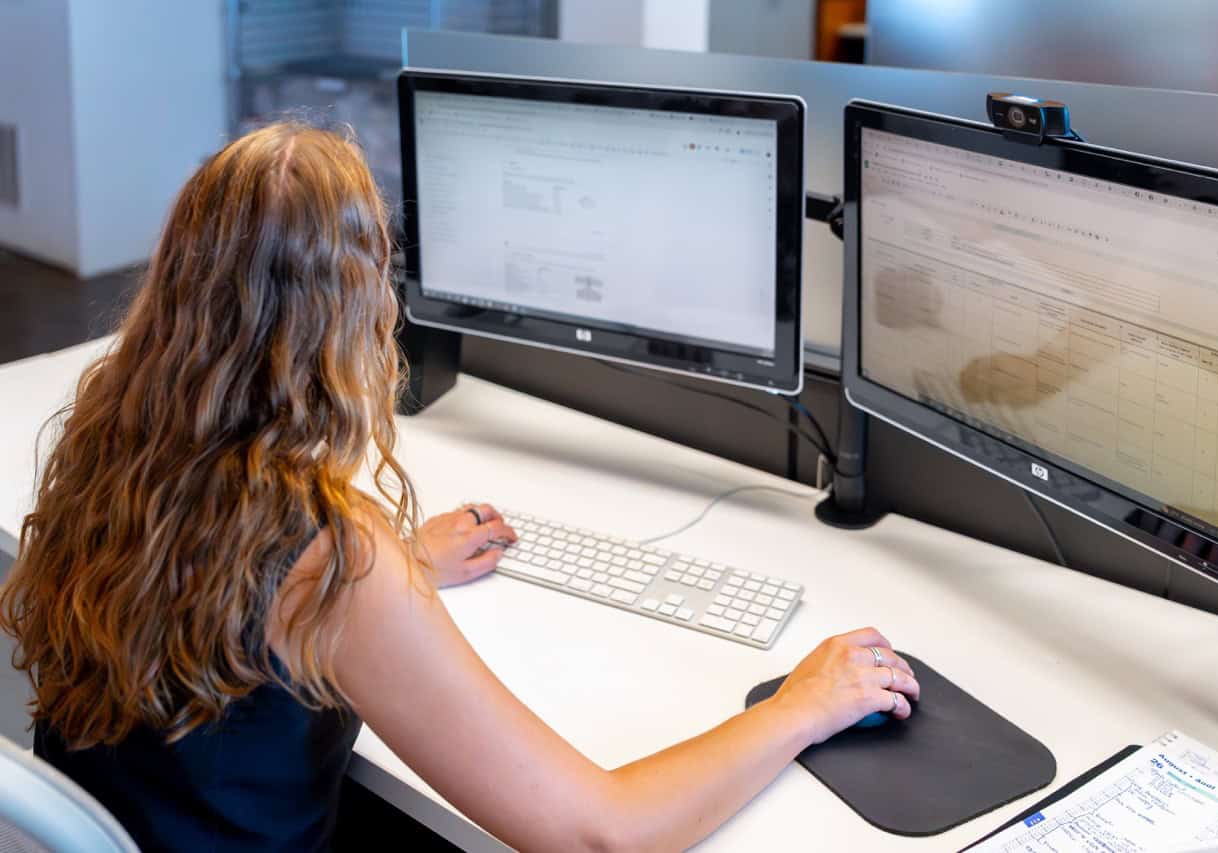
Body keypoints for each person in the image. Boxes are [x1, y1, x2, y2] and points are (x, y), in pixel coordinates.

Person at [0, 122, 918, 852]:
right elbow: (600, 832)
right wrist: (805, 704)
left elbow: (232, 602)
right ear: (354, 312)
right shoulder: (330, 554)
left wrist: (398, 570)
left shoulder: (114, 438)